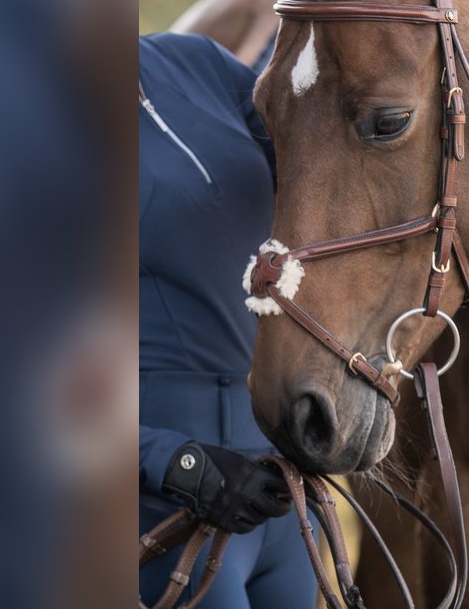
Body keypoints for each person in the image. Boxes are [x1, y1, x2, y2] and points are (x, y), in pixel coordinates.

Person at [139, 31, 316, 609]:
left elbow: (320, 142)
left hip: (279, 488)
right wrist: (175, 462)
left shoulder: (197, 63)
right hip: (160, 502)